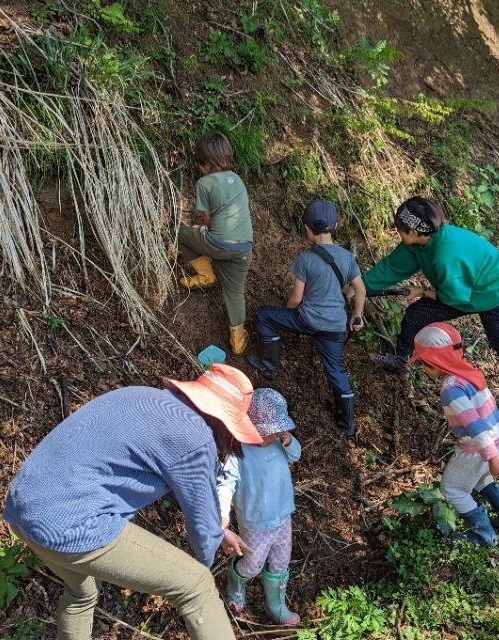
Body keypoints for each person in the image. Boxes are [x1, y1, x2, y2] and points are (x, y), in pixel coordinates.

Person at [2, 364, 263, 640]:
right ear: (225, 422)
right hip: (71, 521)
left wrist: (216, 529)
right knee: (197, 585)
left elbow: (180, 488)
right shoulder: (196, 437)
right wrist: (209, 548)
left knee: (82, 592)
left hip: (22, 504)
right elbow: (202, 532)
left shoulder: (143, 396)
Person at [362, 196, 499, 432]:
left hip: (498, 296)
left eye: (400, 229)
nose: (397, 233)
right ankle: (400, 360)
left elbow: (454, 298)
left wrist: (424, 291)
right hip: (462, 291)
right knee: (416, 315)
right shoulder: (416, 245)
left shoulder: (447, 254)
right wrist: (357, 286)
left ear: (415, 231)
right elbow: (390, 269)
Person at [245, 199, 366, 436]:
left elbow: (296, 298)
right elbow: (360, 289)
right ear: (336, 225)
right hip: (335, 327)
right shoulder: (346, 257)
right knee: (336, 371)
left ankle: (270, 367)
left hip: (307, 320)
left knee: (264, 315)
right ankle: (348, 426)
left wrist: (287, 312)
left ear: (307, 229)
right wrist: (357, 316)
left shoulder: (305, 260)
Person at [408, 322, 499, 547]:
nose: (423, 368)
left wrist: (492, 457)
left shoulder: (451, 389)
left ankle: (484, 535)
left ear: (438, 361)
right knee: (480, 478)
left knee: (452, 488)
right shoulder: (468, 372)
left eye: (425, 363)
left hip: (479, 449)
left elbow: (474, 425)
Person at [217, 388, 302, 626]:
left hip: (283, 517)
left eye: (277, 431)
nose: (274, 436)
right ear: (251, 428)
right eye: (270, 432)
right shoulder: (238, 453)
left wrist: (287, 439)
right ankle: (236, 583)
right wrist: (222, 515)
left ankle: (276, 605)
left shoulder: (278, 445)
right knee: (253, 564)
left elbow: (296, 455)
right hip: (255, 524)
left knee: (281, 562)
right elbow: (225, 483)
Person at [178, 132, 254, 355]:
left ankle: (205, 276)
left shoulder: (204, 183)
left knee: (181, 234)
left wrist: (196, 227)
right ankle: (238, 339)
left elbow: (205, 218)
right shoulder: (237, 179)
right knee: (235, 291)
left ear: (203, 163)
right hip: (244, 249)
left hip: (219, 244)